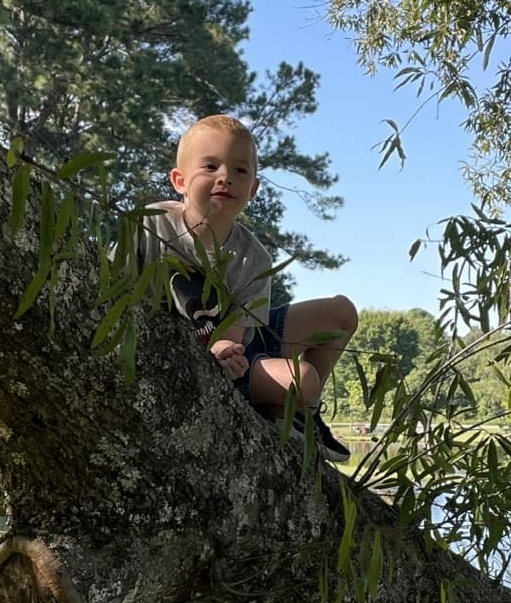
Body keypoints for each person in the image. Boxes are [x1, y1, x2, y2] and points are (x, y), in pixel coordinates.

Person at [133, 113, 358, 461]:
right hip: (201, 355)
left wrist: (226, 346)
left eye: (240, 170)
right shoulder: (152, 225)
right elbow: (113, 285)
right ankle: (283, 402)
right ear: (179, 180)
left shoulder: (255, 257)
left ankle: (301, 415)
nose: (225, 177)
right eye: (210, 166)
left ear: (253, 188)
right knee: (305, 381)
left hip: (236, 346)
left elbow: (233, 335)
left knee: (342, 312)